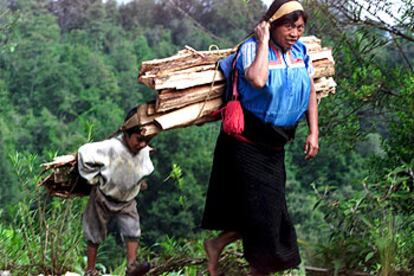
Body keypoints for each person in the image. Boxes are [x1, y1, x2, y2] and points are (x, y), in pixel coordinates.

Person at [201, 0, 319, 275]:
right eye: (289, 26)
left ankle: (217, 245)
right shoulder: (251, 49)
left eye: (300, 28)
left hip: (276, 146)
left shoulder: (301, 52)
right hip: (246, 145)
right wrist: (263, 39)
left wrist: (314, 131)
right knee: (263, 215)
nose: (295, 34)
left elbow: (310, 91)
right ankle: (251, 265)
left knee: (267, 213)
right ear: (272, 24)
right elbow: (257, 79)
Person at [78, 107, 154, 276]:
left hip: (127, 200)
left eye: (146, 140)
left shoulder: (143, 151)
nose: (142, 144)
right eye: (139, 139)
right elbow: (84, 152)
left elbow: (144, 169)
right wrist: (94, 178)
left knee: (132, 230)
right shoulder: (111, 147)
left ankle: (132, 266)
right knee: (94, 231)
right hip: (103, 196)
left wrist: (138, 182)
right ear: (126, 134)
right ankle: (90, 269)